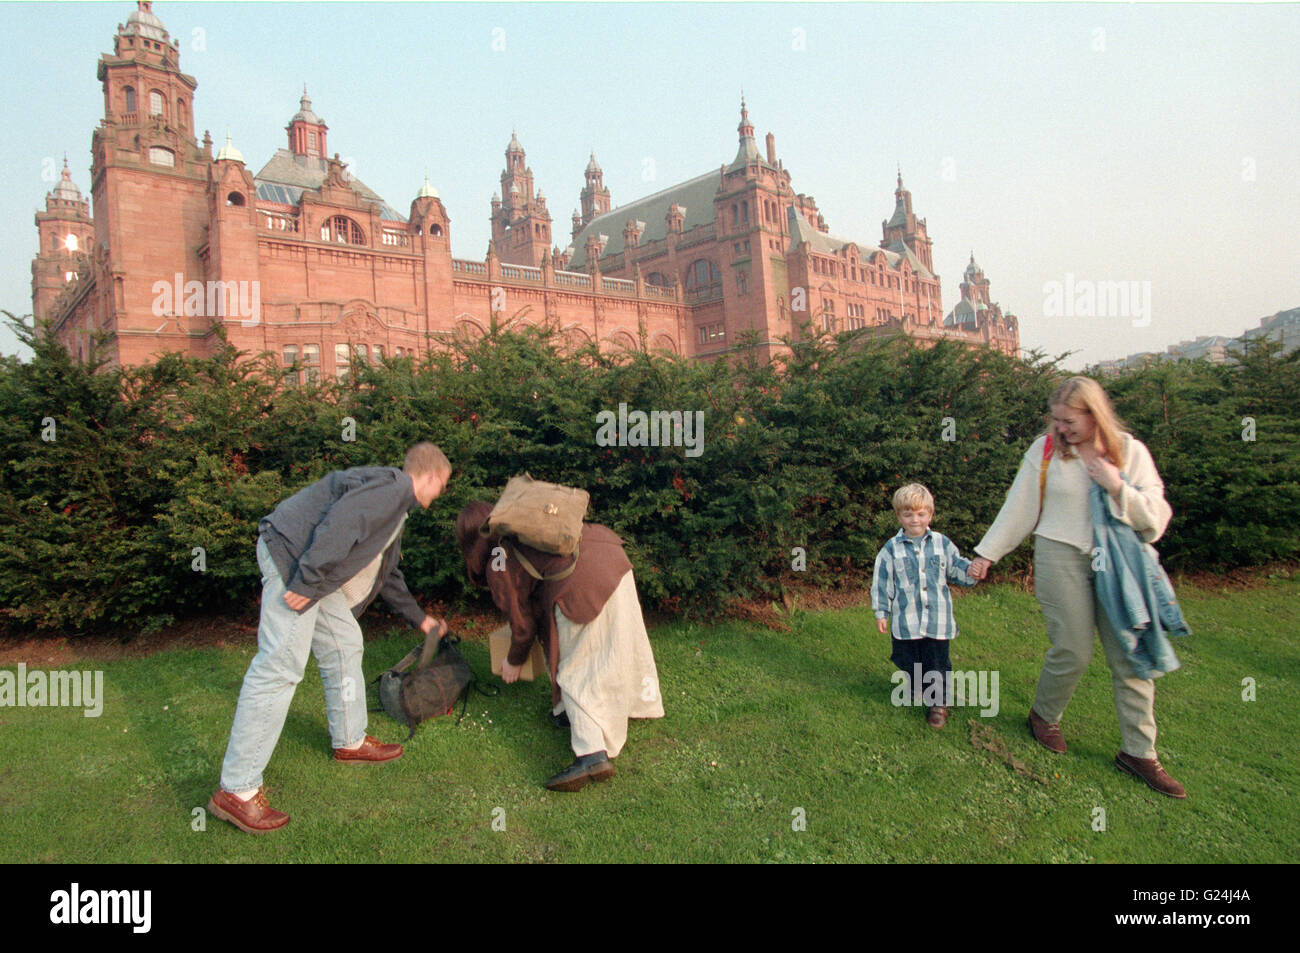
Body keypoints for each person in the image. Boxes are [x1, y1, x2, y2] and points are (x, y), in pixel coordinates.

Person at [207, 442, 452, 833]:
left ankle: (350, 740)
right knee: (280, 667)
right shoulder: (392, 489)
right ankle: (237, 790)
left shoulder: (395, 507)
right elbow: (342, 521)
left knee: (345, 644)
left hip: (309, 572)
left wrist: (420, 620)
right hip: (293, 561)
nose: (440, 495)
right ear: (430, 476)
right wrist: (307, 579)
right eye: (442, 485)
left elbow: (387, 574)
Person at [967, 377, 1187, 798]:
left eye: (1069, 421)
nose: (1061, 428)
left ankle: (1139, 753)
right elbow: (1020, 508)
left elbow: (1156, 520)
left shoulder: (1130, 453)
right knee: (1072, 649)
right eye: (1056, 419)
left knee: (1131, 656)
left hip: (1118, 565)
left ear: (1094, 414)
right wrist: (987, 554)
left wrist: (1116, 485)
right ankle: (1043, 717)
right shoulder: (1046, 450)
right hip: (1059, 554)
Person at [455, 501, 664, 792]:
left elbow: (523, 626)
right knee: (620, 641)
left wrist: (514, 661)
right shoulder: (522, 533)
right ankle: (629, 703)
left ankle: (592, 755)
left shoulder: (498, 559)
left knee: (577, 665)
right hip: (610, 554)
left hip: (582, 577)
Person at [871, 483, 978, 729]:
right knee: (905, 657)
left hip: (936, 621)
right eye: (908, 514)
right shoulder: (890, 550)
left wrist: (973, 571)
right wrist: (881, 612)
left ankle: (938, 704)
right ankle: (916, 683)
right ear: (899, 516)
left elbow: (957, 569)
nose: (915, 520)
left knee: (937, 663)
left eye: (921, 514)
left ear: (930, 515)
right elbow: (882, 582)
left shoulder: (942, 544)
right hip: (905, 621)